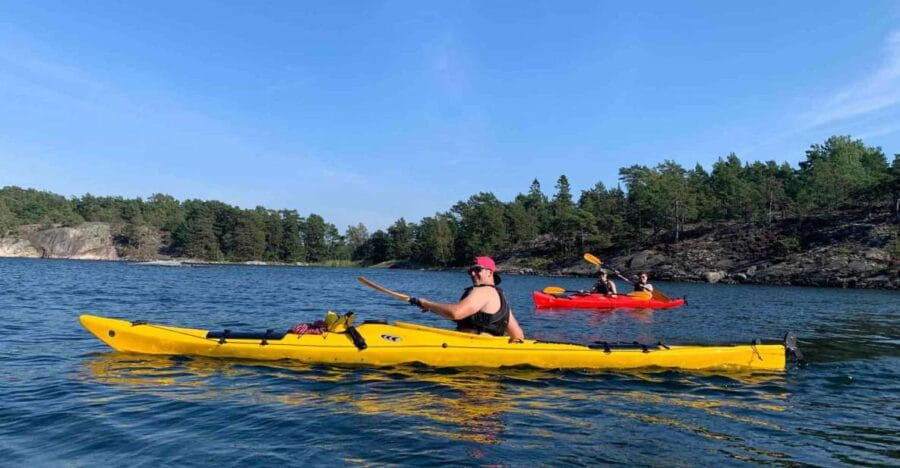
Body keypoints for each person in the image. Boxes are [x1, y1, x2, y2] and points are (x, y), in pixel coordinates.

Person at [408, 256, 525, 342]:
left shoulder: (483, 291)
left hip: (471, 348)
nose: (472, 274)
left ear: (490, 272)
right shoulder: (499, 296)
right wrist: (435, 309)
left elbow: (456, 313)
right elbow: (517, 335)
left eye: (477, 270)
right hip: (484, 352)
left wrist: (427, 303)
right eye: (470, 271)